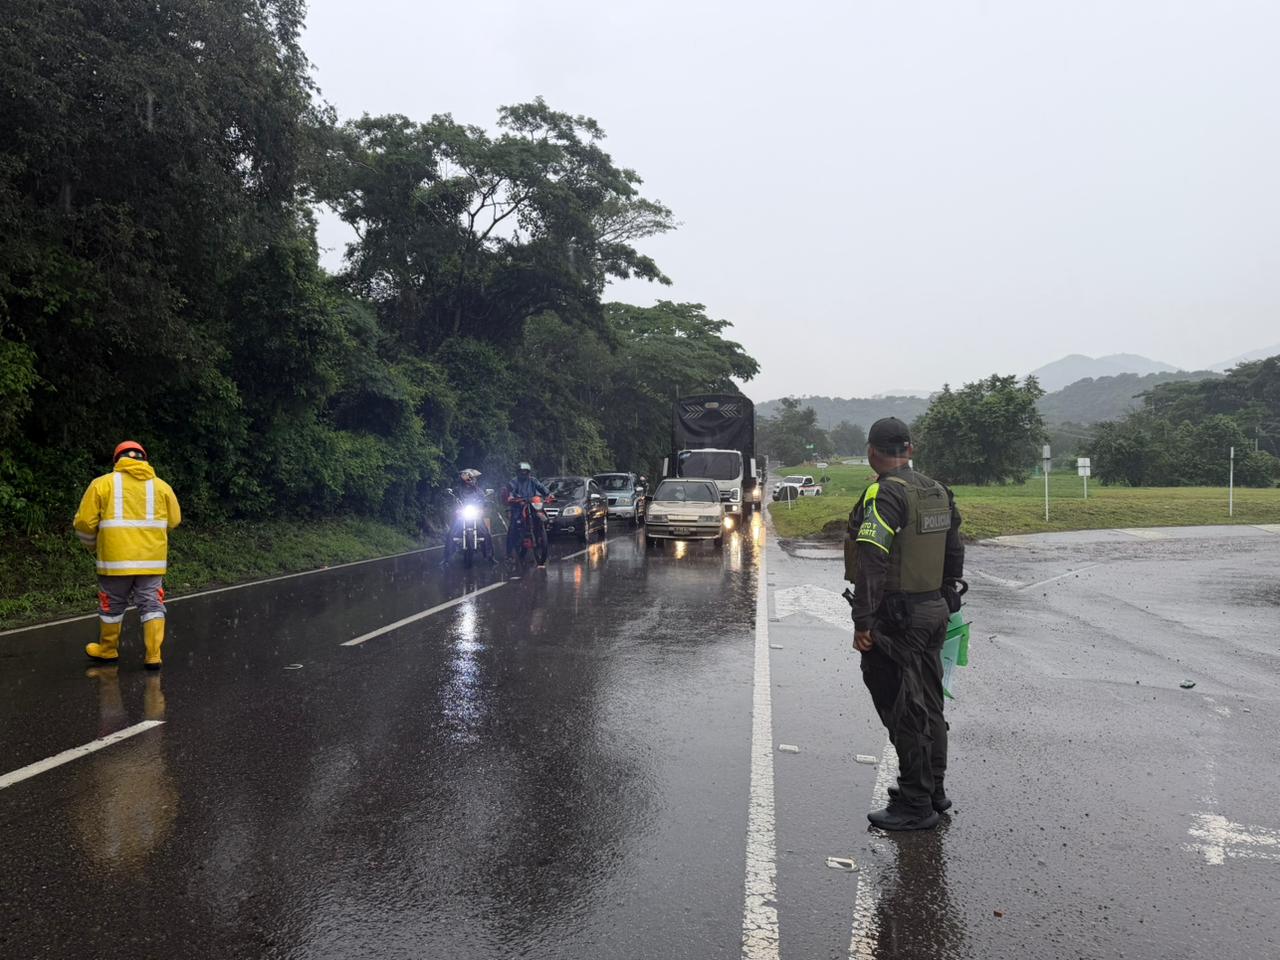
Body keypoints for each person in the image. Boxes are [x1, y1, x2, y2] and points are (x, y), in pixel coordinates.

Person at [844, 417, 964, 831]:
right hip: (933, 610)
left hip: (897, 619)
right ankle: (932, 789)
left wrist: (863, 620)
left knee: (903, 708)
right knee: (930, 701)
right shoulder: (936, 491)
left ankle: (915, 802)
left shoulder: (885, 492)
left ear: (872, 452)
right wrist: (946, 593)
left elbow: (872, 560)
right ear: (909, 450)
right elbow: (955, 548)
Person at [73, 441, 182, 668]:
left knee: (112, 605)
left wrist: (93, 545)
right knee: (152, 605)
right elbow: (174, 521)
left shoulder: (102, 484)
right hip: (151, 562)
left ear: (117, 460)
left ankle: (108, 650)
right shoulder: (162, 487)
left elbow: (84, 523)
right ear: (144, 458)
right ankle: (153, 654)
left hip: (115, 561)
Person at [441, 468, 495, 564]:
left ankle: (490, 556)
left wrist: (486, 502)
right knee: (451, 534)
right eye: (468, 479)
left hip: (476, 517)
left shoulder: (478, 491)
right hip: (462, 516)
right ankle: (446, 558)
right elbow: (452, 496)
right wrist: (451, 496)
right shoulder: (458, 490)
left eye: (472, 479)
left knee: (486, 533)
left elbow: (484, 499)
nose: (470, 480)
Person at [502, 461, 550, 560]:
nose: (524, 473)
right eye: (521, 471)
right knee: (513, 527)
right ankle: (509, 552)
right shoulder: (514, 482)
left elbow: (541, 488)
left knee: (541, 514)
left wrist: (549, 495)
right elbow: (510, 491)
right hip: (518, 506)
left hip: (532, 504)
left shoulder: (533, 480)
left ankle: (540, 533)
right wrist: (511, 497)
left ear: (529, 472)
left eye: (526, 472)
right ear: (518, 472)